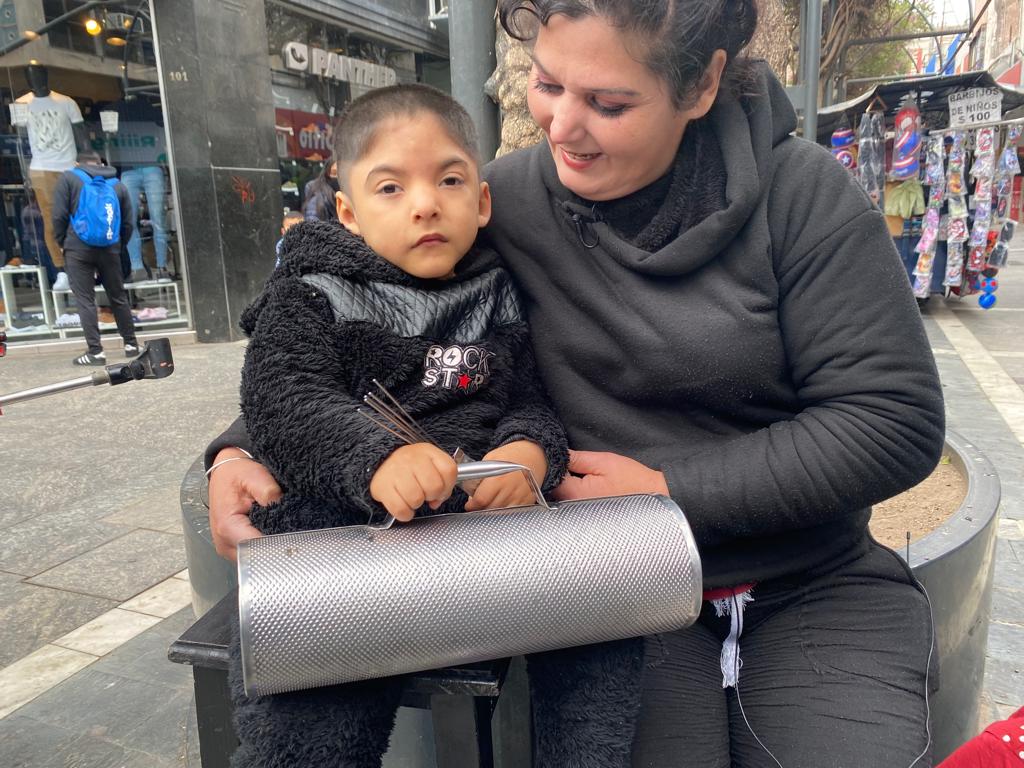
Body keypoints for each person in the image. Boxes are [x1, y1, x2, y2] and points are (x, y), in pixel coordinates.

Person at [205, 1, 947, 765]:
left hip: (811, 581)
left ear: (700, 87)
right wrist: (238, 451)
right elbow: (353, 319)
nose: (561, 125)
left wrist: (668, 490)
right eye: (548, 84)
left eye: (608, 102)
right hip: (609, 587)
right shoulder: (500, 201)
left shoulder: (805, 197)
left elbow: (893, 421)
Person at [226, 83, 580, 768]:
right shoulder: (314, 292)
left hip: (482, 537)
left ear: (481, 200)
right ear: (349, 213)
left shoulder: (495, 290)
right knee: (314, 721)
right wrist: (375, 458)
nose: (425, 204)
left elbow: (529, 396)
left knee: (601, 644)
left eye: (449, 180)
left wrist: (530, 451)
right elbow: (281, 398)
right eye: (391, 189)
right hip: (349, 535)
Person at [52, 152, 138, 366]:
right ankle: (131, 344)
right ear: (101, 164)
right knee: (118, 296)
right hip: (110, 247)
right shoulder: (117, 184)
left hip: (77, 248)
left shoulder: (69, 178)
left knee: (85, 299)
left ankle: (96, 352)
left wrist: (63, 242)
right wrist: (117, 245)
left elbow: (58, 215)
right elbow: (128, 222)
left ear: (77, 163)